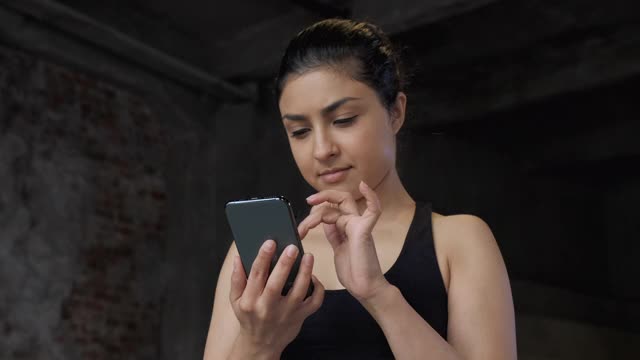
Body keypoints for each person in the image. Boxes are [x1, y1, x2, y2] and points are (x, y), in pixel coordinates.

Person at [203, 18, 516, 359]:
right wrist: (259, 342)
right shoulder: (259, 255)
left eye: (343, 120)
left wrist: (379, 295)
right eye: (300, 131)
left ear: (395, 112)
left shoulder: (459, 240)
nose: (322, 149)